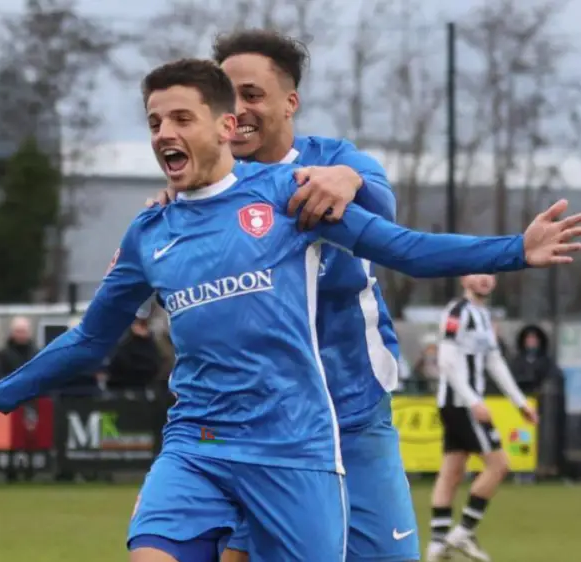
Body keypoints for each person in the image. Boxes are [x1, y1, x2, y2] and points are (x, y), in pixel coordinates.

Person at [0, 59, 581, 562]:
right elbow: (91, 339)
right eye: (153, 122)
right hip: (198, 444)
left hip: (295, 449)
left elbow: (403, 249)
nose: (164, 133)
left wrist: (514, 251)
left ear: (226, 126)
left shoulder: (291, 200)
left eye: (180, 117)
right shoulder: (149, 233)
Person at [141, 31, 409, 561]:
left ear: (291, 103)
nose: (239, 110)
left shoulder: (328, 162)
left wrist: (351, 178)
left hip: (353, 413)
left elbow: (383, 201)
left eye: (253, 94)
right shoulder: (202, 193)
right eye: (228, 95)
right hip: (258, 429)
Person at [426, 275, 538, 562]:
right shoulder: (457, 312)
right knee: (499, 465)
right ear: (464, 278)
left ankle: (438, 544)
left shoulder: (485, 317)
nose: (485, 279)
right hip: (460, 402)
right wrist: (473, 400)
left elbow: (494, 361)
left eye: (489, 274)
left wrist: (520, 402)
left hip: (462, 403)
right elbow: (447, 361)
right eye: (478, 273)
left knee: (452, 470)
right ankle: (463, 531)